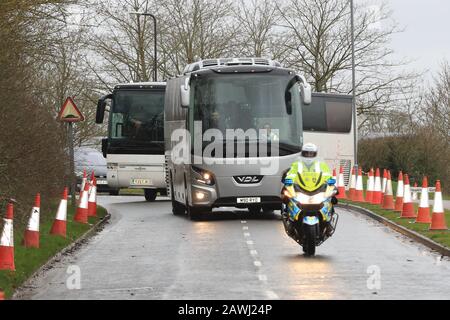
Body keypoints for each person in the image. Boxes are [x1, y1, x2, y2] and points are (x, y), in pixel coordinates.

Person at [283, 143, 338, 235]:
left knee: (331, 197)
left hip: (317, 189)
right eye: (307, 153)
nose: (309, 155)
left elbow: (327, 174)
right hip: (301, 189)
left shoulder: (321, 164)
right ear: (303, 153)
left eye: (311, 153)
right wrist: (288, 179)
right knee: (287, 195)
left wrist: (330, 180)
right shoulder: (297, 164)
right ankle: (289, 218)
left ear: (315, 154)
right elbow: (291, 174)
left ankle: (328, 223)